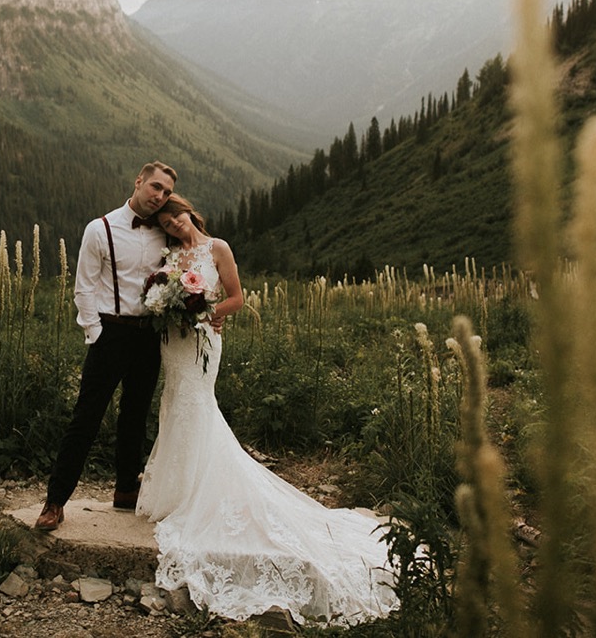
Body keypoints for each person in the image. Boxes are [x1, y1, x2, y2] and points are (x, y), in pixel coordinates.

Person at [135, 195, 400, 625]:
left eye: (177, 216)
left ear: (190, 213)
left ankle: (201, 489)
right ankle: (177, 488)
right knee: (174, 401)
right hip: (175, 343)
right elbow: (165, 296)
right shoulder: (172, 256)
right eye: (167, 222)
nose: (175, 224)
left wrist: (207, 313)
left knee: (195, 402)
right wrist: (168, 307)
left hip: (203, 340)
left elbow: (237, 298)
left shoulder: (216, 248)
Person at [36, 161, 178, 531]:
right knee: (86, 418)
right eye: (155, 188)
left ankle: (126, 490)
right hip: (110, 334)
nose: (159, 196)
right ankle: (55, 501)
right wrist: (96, 334)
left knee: (135, 416)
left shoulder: (166, 232)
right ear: (139, 182)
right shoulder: (99, 229)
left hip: (149, 336)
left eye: (166, 192)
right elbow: (84, 287)